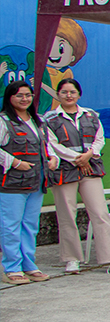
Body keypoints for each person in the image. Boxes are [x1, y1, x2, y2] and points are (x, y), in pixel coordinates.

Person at [43, 78, 110, 273]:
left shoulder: (91, 116)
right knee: (66, 215)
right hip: (65, 170)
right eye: (64, 92)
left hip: (91, 168)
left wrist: (89, 155)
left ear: (79, 94)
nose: (68, 95)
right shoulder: (50, 119)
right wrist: (78, 158)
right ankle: (72, 259)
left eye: (72, 92)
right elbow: (52, 144)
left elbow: (99, 139)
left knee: (100, 213)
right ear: (58, 95)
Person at [1, 81, 57, 285]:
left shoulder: (38, 121)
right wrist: (14, 162)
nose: (24, 99)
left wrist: (53, 159)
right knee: (10, 226)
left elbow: (50, 146)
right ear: (9, 98)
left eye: (28, 95)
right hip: (12, 183)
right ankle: (12, 267)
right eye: (19, 95)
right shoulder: (4, 121)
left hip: (37, 181)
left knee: (30, 226)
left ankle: (29, 265)